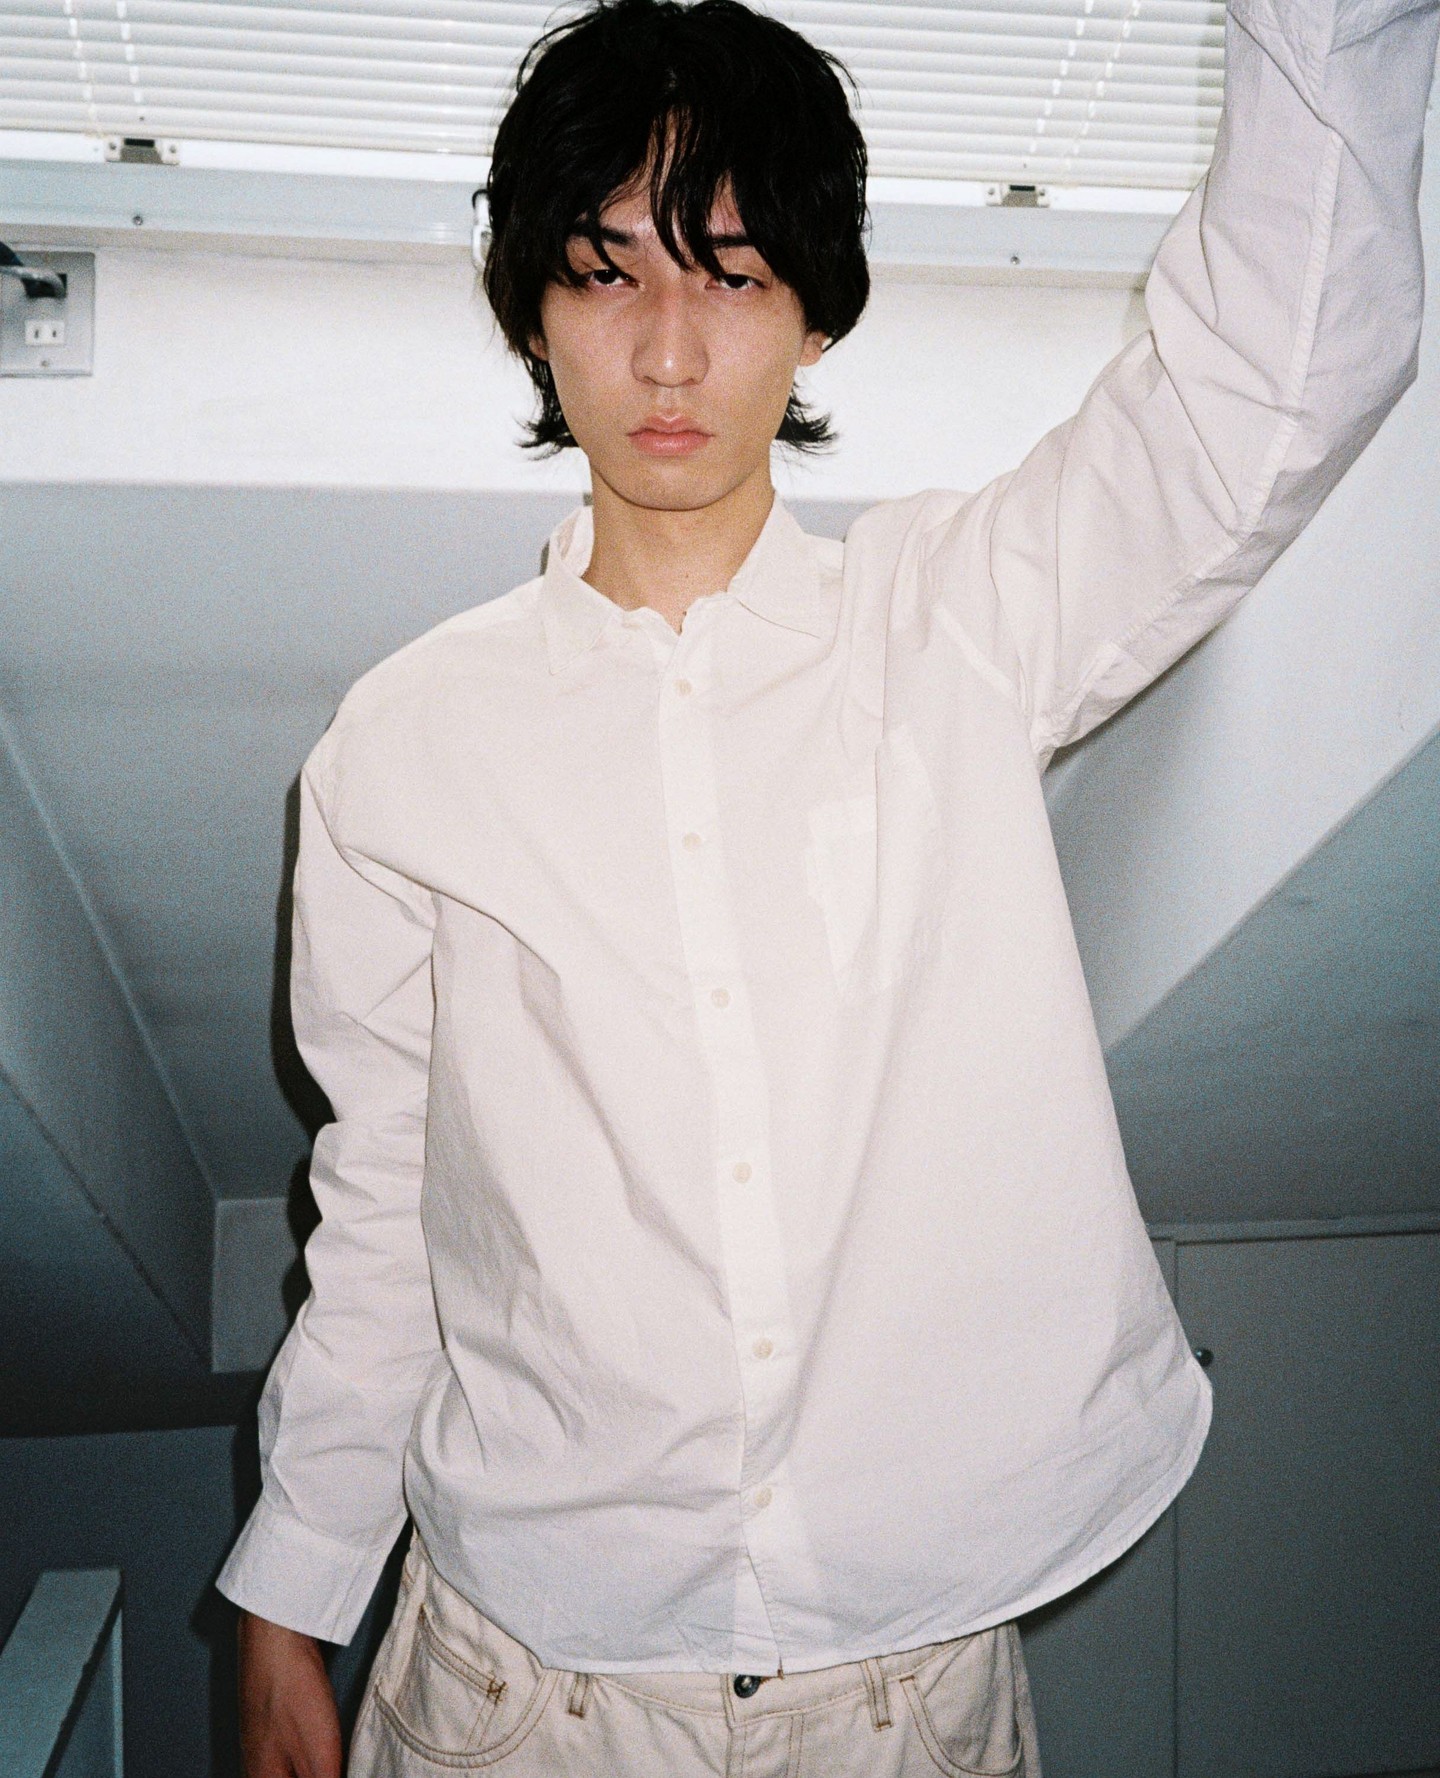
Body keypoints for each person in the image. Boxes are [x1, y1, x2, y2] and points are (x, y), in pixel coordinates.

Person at [218, 0, 1439, 1771]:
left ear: (816, 306)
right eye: (605, 270)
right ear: (530, 305)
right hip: (519, 1692)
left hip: (904, 1697)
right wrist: (288, 1595)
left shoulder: (960, 616)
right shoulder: (403, 745)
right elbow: (389, 1202)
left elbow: (1272, 380)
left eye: (731, 273)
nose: (666, 350)